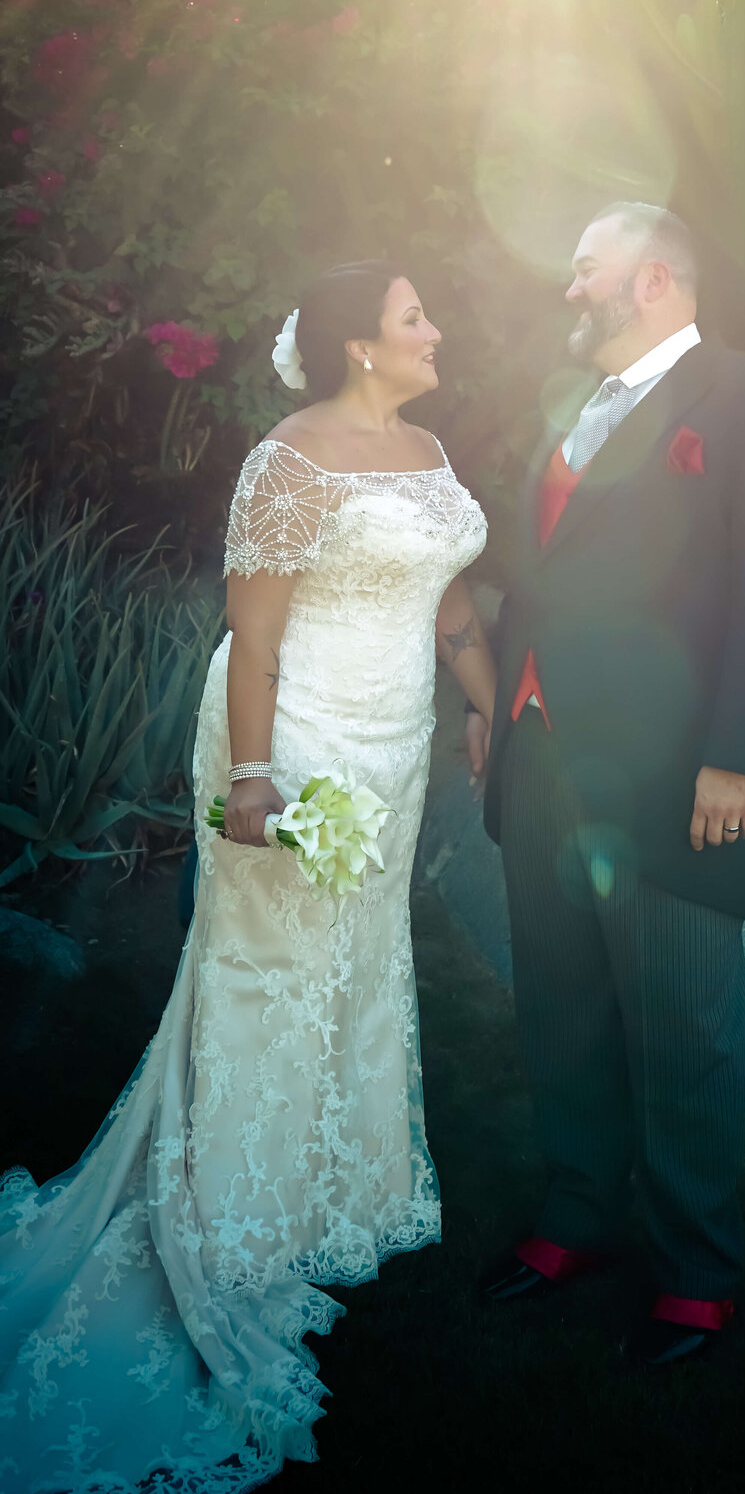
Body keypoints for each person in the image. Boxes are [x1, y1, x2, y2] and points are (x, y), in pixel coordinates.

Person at [0, 263, 494, 1489]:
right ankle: (236, 1218)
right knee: (271, 970)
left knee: (363, 960)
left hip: (401, 736)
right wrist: (260, 780)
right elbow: (257, 631)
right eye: (414, 316)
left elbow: (449, 603)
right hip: (300, 732)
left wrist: (493, 705)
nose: (436, 329)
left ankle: (333, 1190)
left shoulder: (430, 448)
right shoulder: (288, 458)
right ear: (359, 346)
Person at [470, 203, 745, 1367]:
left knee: (685, 1022)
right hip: (539, 752)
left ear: (658, 278)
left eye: (587, 270)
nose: (567, 289)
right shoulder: (571, 406)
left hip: (675, 770)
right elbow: (541, 575)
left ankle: (695, 1266)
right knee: (560, 1001)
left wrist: (737, 753)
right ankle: (578, 1210)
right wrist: (497, 705)